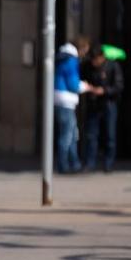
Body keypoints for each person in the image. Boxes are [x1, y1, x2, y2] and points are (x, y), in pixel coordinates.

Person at [55, 41, 97, 173]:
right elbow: (73, 84)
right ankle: (64, 165)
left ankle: (74, 163)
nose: (84, 55)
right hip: (66, 100)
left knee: (72, 133)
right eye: (85, 51)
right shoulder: (71, 60)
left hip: (59, 98)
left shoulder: (62, 57)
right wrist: (86, 86)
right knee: (67, 135)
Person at [81, 44, 124, 172]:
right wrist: (88, 87)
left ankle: (108, 163)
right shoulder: (87, 66)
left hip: (109, 104)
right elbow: (83, 79)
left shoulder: (113, 66)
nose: (94, 63)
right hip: (94, 104)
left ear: (102, 57)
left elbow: (118, 86)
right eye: (92, 60)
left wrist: (104, 91)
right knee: (91, 135)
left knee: (110, 135)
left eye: (96, 60)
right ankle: (90, 162)